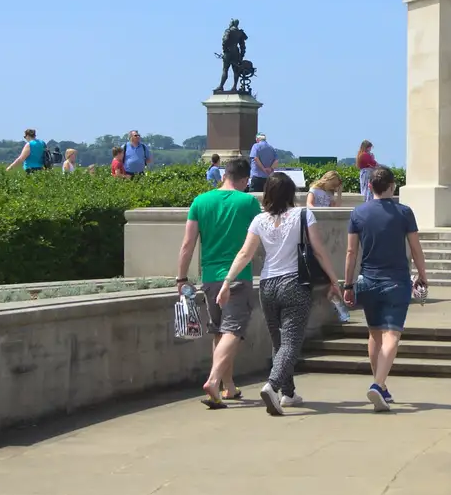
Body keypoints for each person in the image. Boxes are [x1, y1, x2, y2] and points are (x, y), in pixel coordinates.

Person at [220, 173, 342, 415]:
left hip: (267, 285)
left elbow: (245, 254)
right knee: (291, 343)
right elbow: (319, 250)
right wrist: (334, 280)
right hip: (295, 283)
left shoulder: (259, 220)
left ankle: (288, 393)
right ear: (290, 194)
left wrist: (227, 281)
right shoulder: (304, 215)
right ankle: (272, 386)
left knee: (279, 342)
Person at [178, 157, 261, 408]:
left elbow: (187, 244)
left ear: (224, 175)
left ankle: (229, 386)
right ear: (245, 180)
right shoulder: (248, 202)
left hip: (210, 277)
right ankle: (213, 381)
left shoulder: (200, 201)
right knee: (233, 331)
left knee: (219, 332)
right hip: (237, 277)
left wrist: (182, 278)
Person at [344, 167, 428, 412]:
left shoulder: (358, 213)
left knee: (374, 334)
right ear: (392, 186)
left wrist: (347, 285)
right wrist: (423, 274)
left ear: (370, 186)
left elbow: (351, 252)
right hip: (396, 281)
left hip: (367, 280)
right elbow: (415, 247)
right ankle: (378, 384)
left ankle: (381, 384)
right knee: (392, 335)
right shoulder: (404, 212)